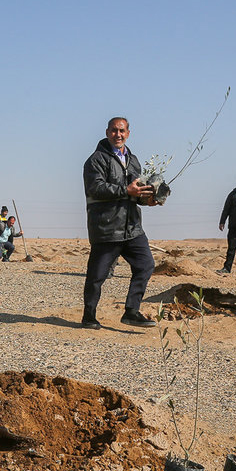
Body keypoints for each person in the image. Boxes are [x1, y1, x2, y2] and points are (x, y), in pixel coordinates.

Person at [81, 117, 161, 329]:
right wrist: (125, 191)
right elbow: (95, 188)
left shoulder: (133, 160)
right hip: (106, 228)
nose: (118, 134)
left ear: (128, 133)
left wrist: (148, 199)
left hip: (132, 228)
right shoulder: (95, 160)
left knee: (145, 265)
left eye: (122, 131)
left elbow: (136, 191)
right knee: (97, 276)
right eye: (114, 131)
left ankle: (132, 311)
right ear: (107, 132)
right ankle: (89, 316)